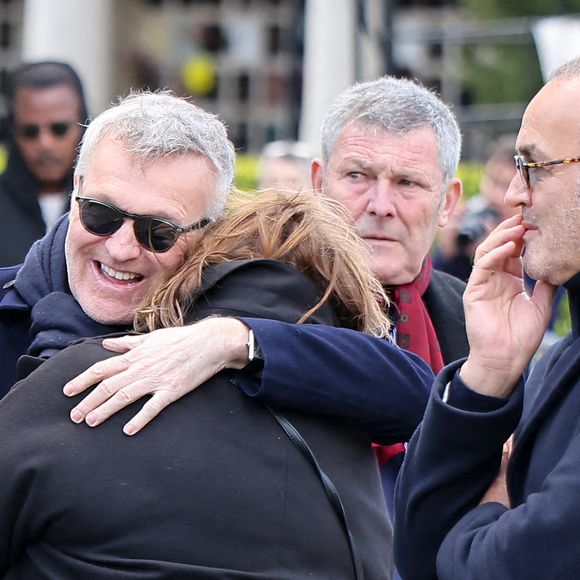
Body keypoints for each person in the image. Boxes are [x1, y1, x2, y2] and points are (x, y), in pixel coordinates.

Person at [62, 76, 467, 519]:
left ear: (448, 201)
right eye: (357, 175)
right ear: (317, 181)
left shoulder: (479, 323)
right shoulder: (253, 283)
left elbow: (417, 396)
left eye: (408, 182)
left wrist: (239, 340)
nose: (380, 204)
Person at [0, 190, 403, 578]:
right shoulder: (357, 443)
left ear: (196, 266)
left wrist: (230, 338)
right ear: (348, 313)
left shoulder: (92, 374)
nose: (124, 247)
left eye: (157, 233)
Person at [394, 57, 580, 580]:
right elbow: (415, 558)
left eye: (534, 166)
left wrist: (491, 505)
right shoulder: (556, 355)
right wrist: (489, 374)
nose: (513, 196)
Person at [0, 61, 89, 266]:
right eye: (30, 132)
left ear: (83, 124)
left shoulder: (110, 207)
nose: (45, 144)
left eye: (59, 129)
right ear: (13, 132)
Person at [433, 134, 518, 282]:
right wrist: (447, 252)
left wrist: (497, 259)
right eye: (492, 180)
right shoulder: (469, 219)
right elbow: (434, 293)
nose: (495, 195)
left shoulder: (535, 243)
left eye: (507, 186)